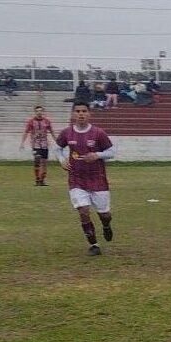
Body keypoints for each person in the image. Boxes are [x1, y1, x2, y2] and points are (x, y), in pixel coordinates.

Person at [55, 102, 118, 256]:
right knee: (83, 211)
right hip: (76, 179)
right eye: (77, 111)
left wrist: (97, 155)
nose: (81, 114)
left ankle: (106, 225)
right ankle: (93, 244)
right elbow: (57, 148)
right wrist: (61, 160)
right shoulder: (67, 133)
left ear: (89, 114)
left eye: (84, 111)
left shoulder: (98, 133)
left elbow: (111, 152)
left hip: (98, 179)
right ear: (73, 114)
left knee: (104, 214)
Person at [20, 104, 56, 186]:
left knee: (44, 163)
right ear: (35, 112)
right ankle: (37, 179)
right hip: (35, 144)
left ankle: (42, 180)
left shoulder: (47, 121)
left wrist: (56, 141)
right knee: (37, 160)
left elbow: (51, 131)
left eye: (40, 111)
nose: (39, 112)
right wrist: (22, 143)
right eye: (37, 111)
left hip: (45, 145)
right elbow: (26, 132)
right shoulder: (31, 121)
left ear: (42, 112)